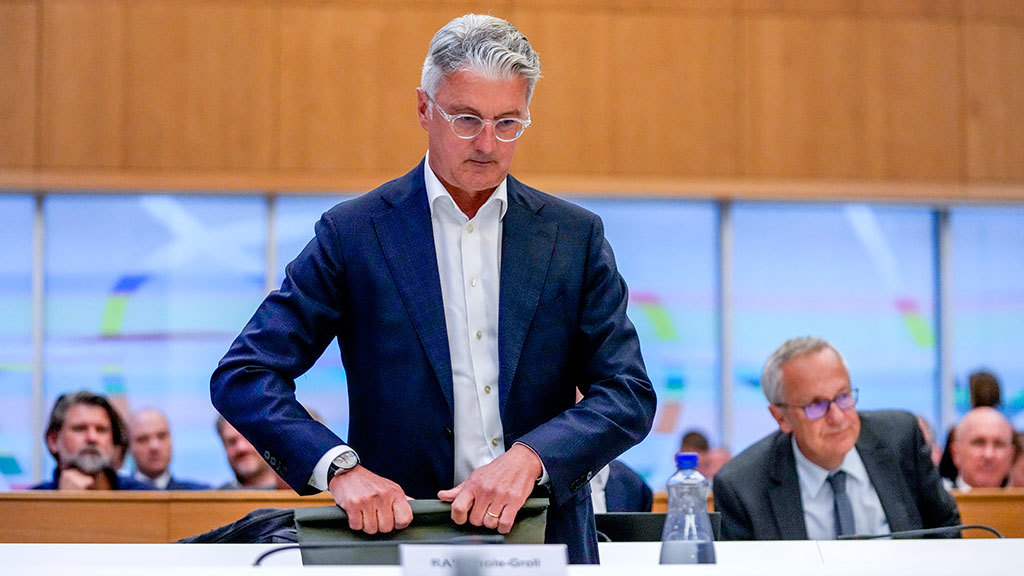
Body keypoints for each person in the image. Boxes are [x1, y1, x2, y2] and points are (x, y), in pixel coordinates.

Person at [209, 14, 655, 564]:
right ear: (424, 109)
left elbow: (627, 394)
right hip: (398, 538)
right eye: (466, 119)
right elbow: (245, 375)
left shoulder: (573, 237)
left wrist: (532, 458)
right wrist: (339, 468)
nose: (488, 144)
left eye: (508, 123)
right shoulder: (356, 234)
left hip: (546, 537)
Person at [712, 337, 959, 540]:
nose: (838, 417)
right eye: (816, 405)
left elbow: (946, 529)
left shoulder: (901, 438)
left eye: (843, 396)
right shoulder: (742, 486)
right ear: (781, 417)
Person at [32, 390, 153, 490]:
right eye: (80, 429)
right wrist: (63, 503)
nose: (92, 438)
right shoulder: (31, 503)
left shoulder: (145, 496)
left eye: (101, 430)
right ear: (53, 441)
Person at [128, 408, 209, 490]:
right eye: (143, 439)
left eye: (161, 436)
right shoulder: (120, 493)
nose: (154, 446)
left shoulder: (203, 494)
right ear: (129, 447)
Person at [947, 406, 1015, 490]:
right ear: (956, 453)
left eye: (998, 444)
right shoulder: (936, 497)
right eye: (979, 443)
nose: (989, 454)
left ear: (1011, 455)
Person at [215, 416, 279, 490]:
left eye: (248, 438)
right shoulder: (216, 496)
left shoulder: (290, 491)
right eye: (231, 441)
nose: (241, 448)